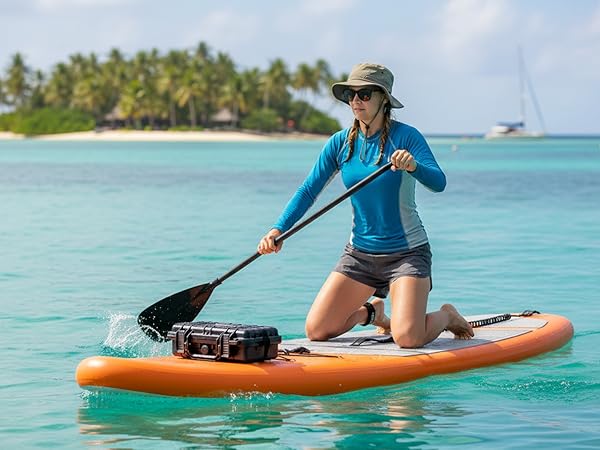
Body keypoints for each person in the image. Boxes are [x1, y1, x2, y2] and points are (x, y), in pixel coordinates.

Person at [258, 62, 474, 348]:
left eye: (365, 94)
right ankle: (373, 312)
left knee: (407, 338)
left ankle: (446, 316)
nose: (356, 101)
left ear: (384, 99)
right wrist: (277, 229)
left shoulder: (407, 137)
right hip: (359, 256)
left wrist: (413, 166)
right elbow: (309, 190)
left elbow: (438, 182)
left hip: (406, 255)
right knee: (317, 329)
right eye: (351, 95)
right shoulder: (340, 144)